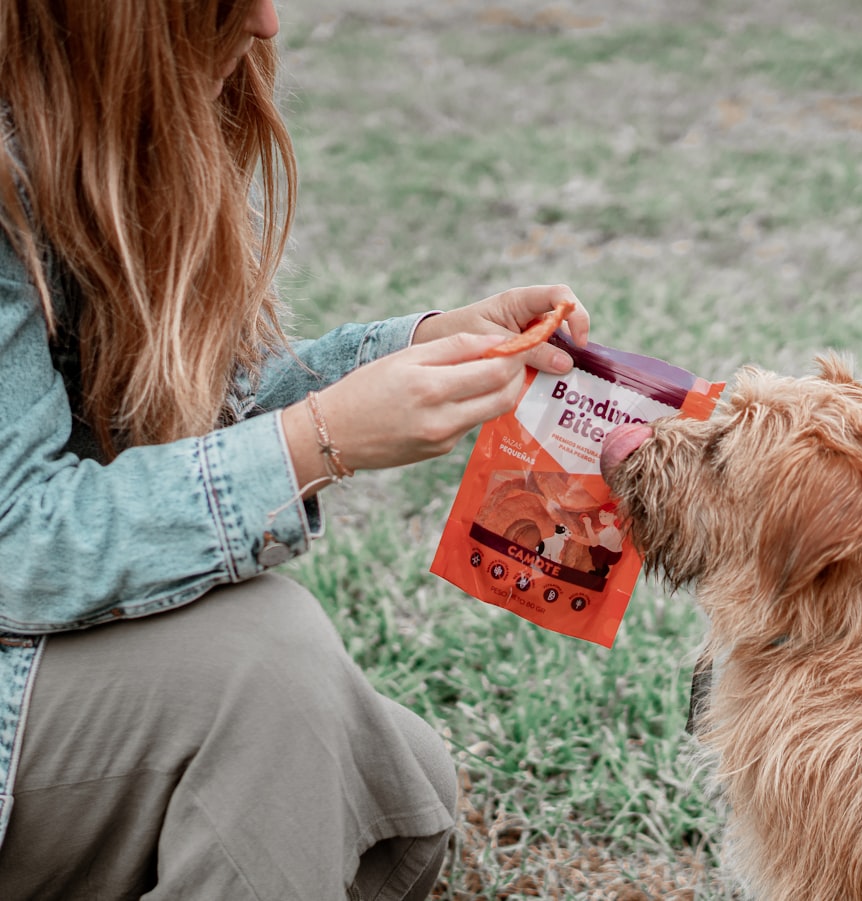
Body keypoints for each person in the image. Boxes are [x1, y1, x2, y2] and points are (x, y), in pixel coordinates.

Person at [0, 2, 589, 899]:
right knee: (270, 671)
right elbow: (16, 543)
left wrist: (423, 343)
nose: (270, 24)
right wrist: (318, 441)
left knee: (395, 780)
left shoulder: (82, 137)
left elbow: (168, 414)